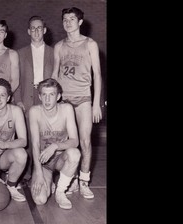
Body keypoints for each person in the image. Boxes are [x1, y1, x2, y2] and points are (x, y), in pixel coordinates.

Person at [51, 7, 103, 199]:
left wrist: (96, 103)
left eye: (72, 19)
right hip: (63, 99)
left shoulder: (90, 44)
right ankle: (69, 179)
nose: (68, 22)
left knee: (85, 141)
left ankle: (84, 181)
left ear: (80, 22)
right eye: (65, 19)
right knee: (66, 143)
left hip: (83, 99)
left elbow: (97, 75)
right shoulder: (59, 46)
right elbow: (55, 74)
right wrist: (50, 96)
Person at [13, 15, 54, 183]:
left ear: (44, 30)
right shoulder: (20, 53)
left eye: (39, 28)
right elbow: (15, 80)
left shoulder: (53, 51)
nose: (36, 31)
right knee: (29, 136)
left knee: (46, 133)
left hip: (47, 97)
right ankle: (28, 172)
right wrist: (18, 100)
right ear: (28, 31)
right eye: (33, 28)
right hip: (27, 97)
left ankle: (46, 169)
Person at [29, 78, 80, 209]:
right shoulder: (34, 112)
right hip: (43, 162)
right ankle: (49, 180)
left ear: (58, 96)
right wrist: (39, 174)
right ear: (39, 96)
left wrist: (55, 146)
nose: (47, 99)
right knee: (40, 199)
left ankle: (60, 191)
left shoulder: (67, 109)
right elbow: (35, 145)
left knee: (74, 153)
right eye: (44, 95)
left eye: (51, 95)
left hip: (60, 159)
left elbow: (75, 141)